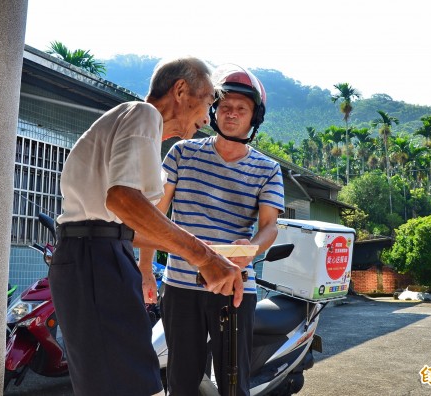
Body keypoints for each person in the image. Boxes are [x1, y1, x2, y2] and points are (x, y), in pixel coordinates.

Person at [49, 57, 245, 396]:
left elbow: (131, 224)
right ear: (181, 91)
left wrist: (210, 255)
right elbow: (123, 201)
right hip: (95, 256)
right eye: (210, 101)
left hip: (99, 252)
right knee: (128, 382)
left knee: (118, 380)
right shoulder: (144, 115)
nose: (209, 116)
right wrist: (203, 257)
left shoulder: (139, 128)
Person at [140, 64, 285, 395]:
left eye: (241, 109)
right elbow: (154, 213)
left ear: (254, 118)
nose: (231, 114)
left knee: (233, 385)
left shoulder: (267, 169)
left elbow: (270, 227)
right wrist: (146, 268)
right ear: (214, 110)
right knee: (181, 381)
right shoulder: (182, 153)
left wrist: (249, 250)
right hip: (179, 286)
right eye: (225, 106)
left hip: (234, 289)